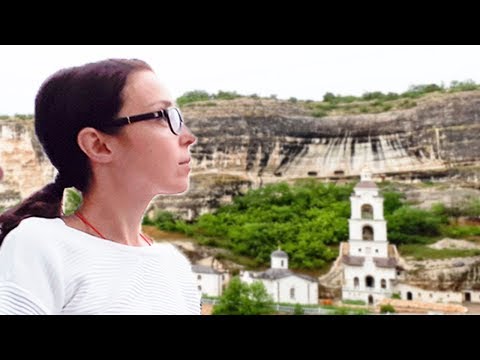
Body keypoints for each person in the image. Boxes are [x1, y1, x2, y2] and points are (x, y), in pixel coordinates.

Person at [0, 59, 200, 314]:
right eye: (162, 116)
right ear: (98, 145)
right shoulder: (41, 246)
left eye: (177, 116)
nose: (188, 137)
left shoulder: (175, 267)